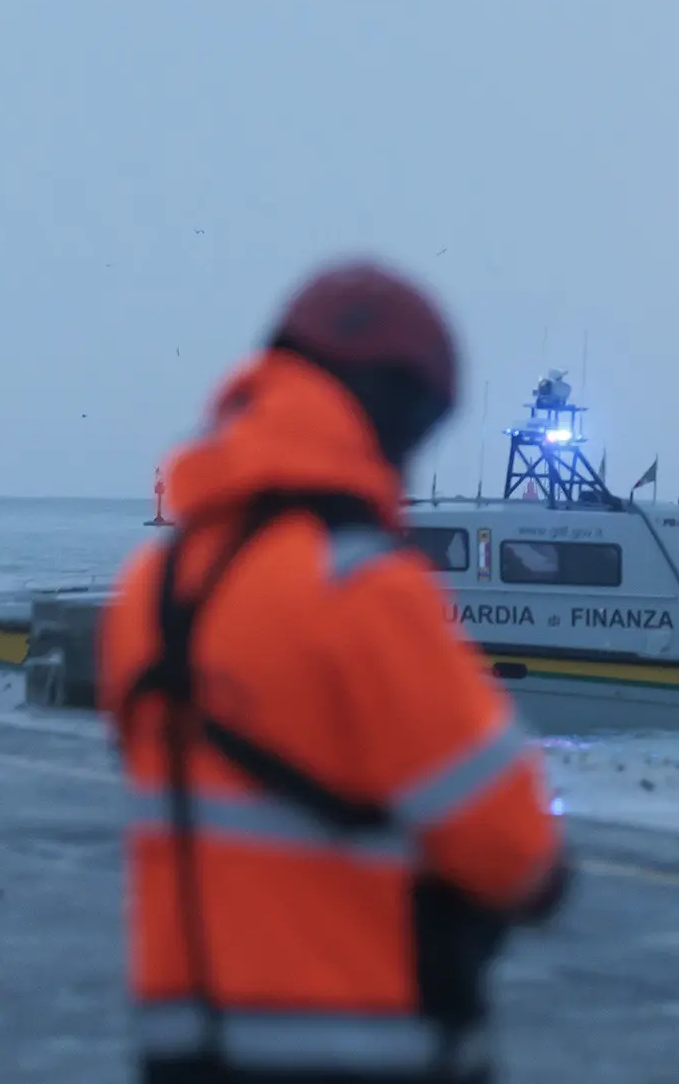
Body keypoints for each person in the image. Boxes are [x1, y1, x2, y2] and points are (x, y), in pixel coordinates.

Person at [99, 261, 567, 1084]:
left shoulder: (153, 585)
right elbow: (513, 850)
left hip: (183, 1044)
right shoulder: (364, 589)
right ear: (396, 411)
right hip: (358, 1047)